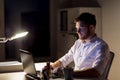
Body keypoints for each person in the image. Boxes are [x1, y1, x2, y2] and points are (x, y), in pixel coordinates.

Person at [42, 12, 110, 78]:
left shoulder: (101, 46)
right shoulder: (78, 42)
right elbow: (66, 58)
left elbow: (95, 72)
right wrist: (51, 67)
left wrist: (68, 74)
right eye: (77, 28)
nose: (77, 31)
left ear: (91, 27)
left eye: (81, 28)